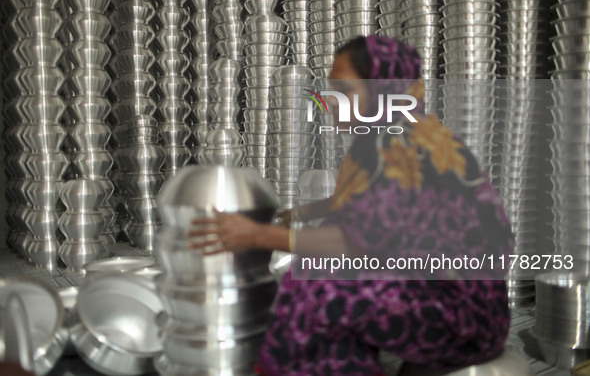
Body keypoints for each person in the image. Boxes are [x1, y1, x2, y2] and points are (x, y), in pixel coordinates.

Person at [188, 35, 514, 375]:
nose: (332, 102)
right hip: (453, 297)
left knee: (325, 290)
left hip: (465, 321)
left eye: (346, 91)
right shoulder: (405, 132)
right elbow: (374, 206)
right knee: (312, 267)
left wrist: (257, 235)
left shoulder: (401, 144)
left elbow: (357, 241)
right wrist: (300, 213)